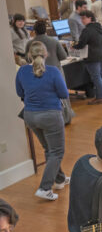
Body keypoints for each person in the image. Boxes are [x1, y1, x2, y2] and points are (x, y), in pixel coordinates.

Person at [15, 41, 69, 201]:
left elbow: (20, 92)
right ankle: (45, 188)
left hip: (31, 116)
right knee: (57, 151)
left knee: (49, 149)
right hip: (51, 115)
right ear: (46, 54)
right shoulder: (52, 71)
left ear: (29, 55)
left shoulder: (22, 71)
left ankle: (59, 179)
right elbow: (64, 93)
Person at [25, 20, 75, 124]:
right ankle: (66, 117)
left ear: (34, 31)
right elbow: (63, 56)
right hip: (56, 71)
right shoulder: (54, 41)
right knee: (62, 95)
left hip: (37, 73)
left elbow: (28, 59)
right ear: (45, 30)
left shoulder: (30, 43)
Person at [72, 10, 102, 105]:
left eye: (84, 18)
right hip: (101, 54)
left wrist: (73, 47)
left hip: (92, 56)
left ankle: (100, 97)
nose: (82, 20)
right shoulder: (98, 27)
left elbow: (81, 44)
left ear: (90, 18)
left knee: (96, 76)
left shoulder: (87, 30)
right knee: (101, 75)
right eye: (81, 18)